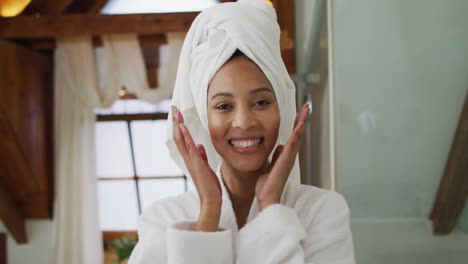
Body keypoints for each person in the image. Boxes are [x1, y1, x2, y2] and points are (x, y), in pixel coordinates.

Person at [128, 0, 355, 263]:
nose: (244, 122)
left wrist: (271, 207)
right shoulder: (163, 220)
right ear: (203, 117)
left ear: (281, 107)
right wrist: (209, 213)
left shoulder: (322, 211)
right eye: (224, 106)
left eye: (261, 102)